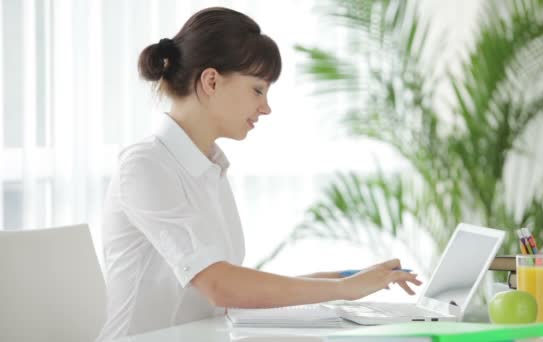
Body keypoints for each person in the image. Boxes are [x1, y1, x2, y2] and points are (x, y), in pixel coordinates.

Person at [95, 7, 421, 341]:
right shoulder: (145, 166)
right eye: (257, 90)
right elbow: (220, 287)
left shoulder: (209, 168)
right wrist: (342, 288)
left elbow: (231, 290)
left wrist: (340, 279)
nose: (265, 107)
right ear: (211, 81)